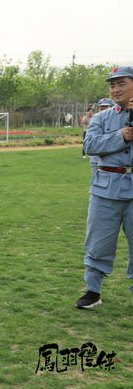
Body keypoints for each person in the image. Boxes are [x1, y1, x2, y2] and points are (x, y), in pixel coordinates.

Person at [76, 66, 133, 309]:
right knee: (98, 242)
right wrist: (121, 136)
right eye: (112, 85)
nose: (115, 89)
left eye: (121, 83)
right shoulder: (102, 117)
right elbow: (90, 145)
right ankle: (93, 291)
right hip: (105, 189)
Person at [89, 98, 117, 174]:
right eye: (101, 108)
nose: (103, 110)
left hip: (113, 162)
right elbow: (90, 144)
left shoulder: (117, 122)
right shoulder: (95, 121)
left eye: (106, 107)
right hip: (96, 160)